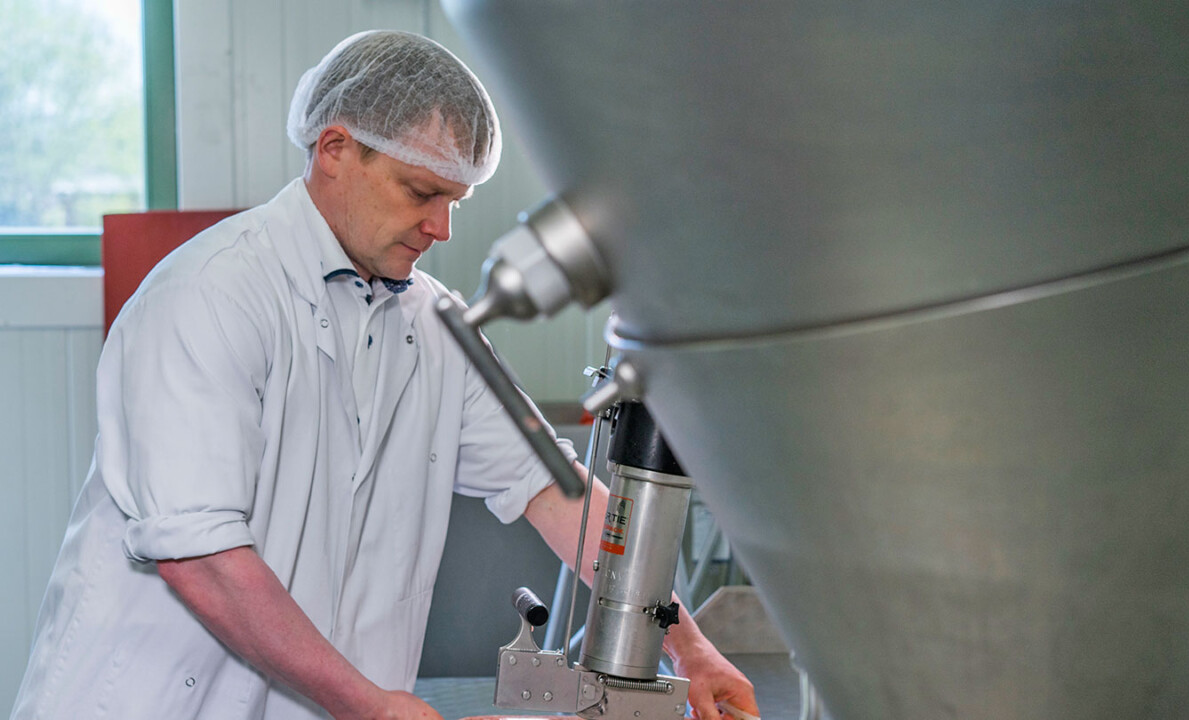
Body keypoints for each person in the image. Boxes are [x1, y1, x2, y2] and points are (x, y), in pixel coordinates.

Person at [10, 30, 757, 720]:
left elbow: (559, 495)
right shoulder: (210, 295)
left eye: (455, 200)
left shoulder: (434, 326)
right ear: (335, 149)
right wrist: (370, 705)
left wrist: (687, 646)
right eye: (421, 192)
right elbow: (201, 559)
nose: (442, 228)